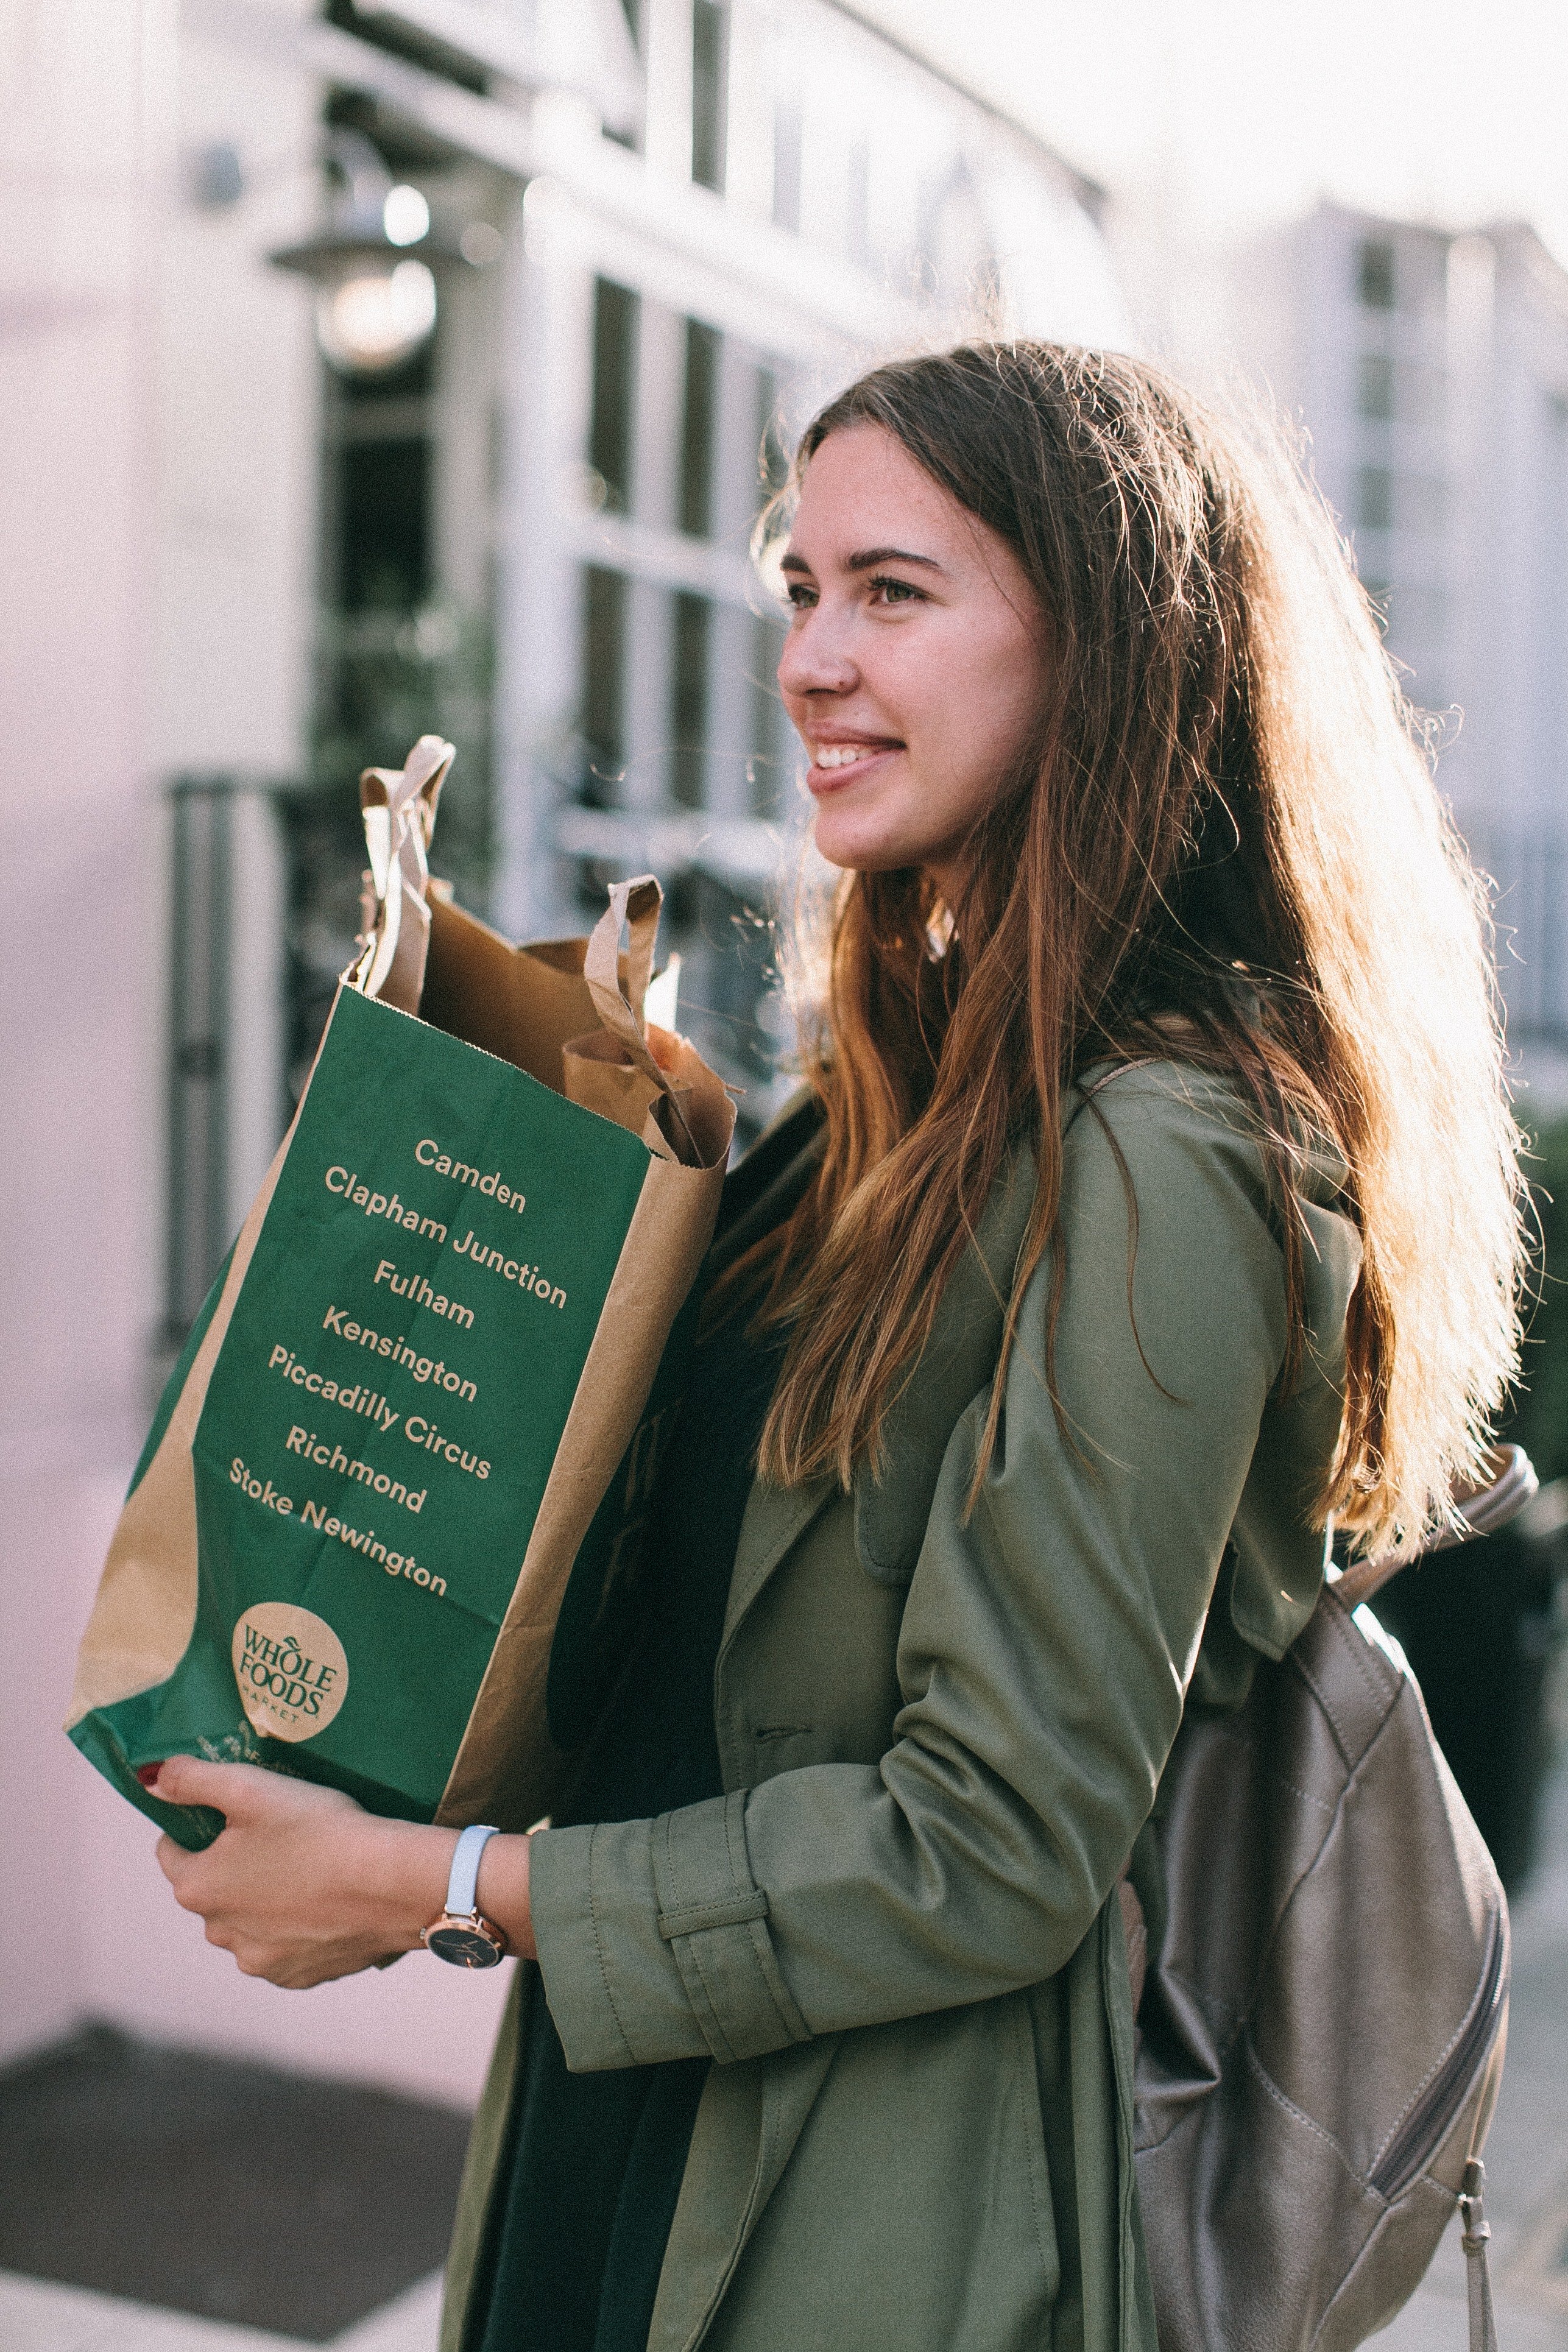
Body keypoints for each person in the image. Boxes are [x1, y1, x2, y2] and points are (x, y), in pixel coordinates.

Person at [147, 344, 1524, 2352]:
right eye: (801, 588)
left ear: (1113, 651)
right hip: (637, 2130)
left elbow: (992, 1845)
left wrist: (441, 1887)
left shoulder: (1163, 1144)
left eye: (896, 592)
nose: (809, 660)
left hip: (877, 2222)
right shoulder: (884, 1111)